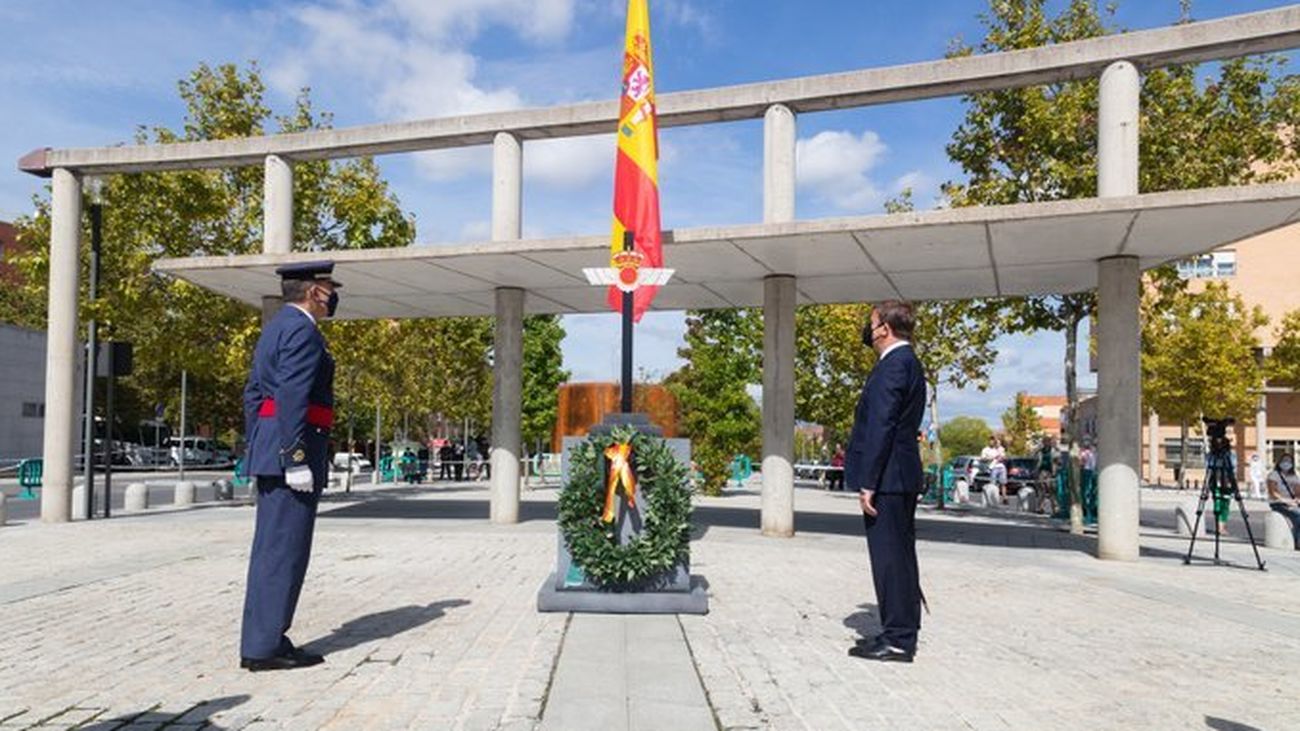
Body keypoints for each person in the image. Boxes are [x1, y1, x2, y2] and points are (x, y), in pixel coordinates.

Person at [239, 261, 340, 672]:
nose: (334, 296)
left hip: (273, 449)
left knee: (272, 549)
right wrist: (293, 455)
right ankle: (265, 647)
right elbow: (293, 394)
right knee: (284, 551)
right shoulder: (302, 330)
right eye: (330, 288)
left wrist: (260, 444)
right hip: (291, 455)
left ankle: (265, 639)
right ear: (315, 291)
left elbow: (252, 395)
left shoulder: (277, 326)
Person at [845, 300, 927, 663]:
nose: (869, 328)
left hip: (889, 479)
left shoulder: (895, 365)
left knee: (890, 560)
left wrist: (869, 482)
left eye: (872, 322)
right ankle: (898, 629)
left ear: (885, 330)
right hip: (897, 476)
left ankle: (899, 640)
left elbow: (882, 427)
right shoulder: (905, 363)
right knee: (899, 558)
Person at [1267, 452, 1300, 549]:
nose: (1286, 463)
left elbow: (1298, 491)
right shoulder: (1274, 475)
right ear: (1279, 462)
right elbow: (1273, 493)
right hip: (1278, 503)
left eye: (1289, 461)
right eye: (1284, 461)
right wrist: (1286, 501)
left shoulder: (1294, 476)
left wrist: (1297, 500)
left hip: (1292, 503)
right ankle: (1295, 540)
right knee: (1298, 516)